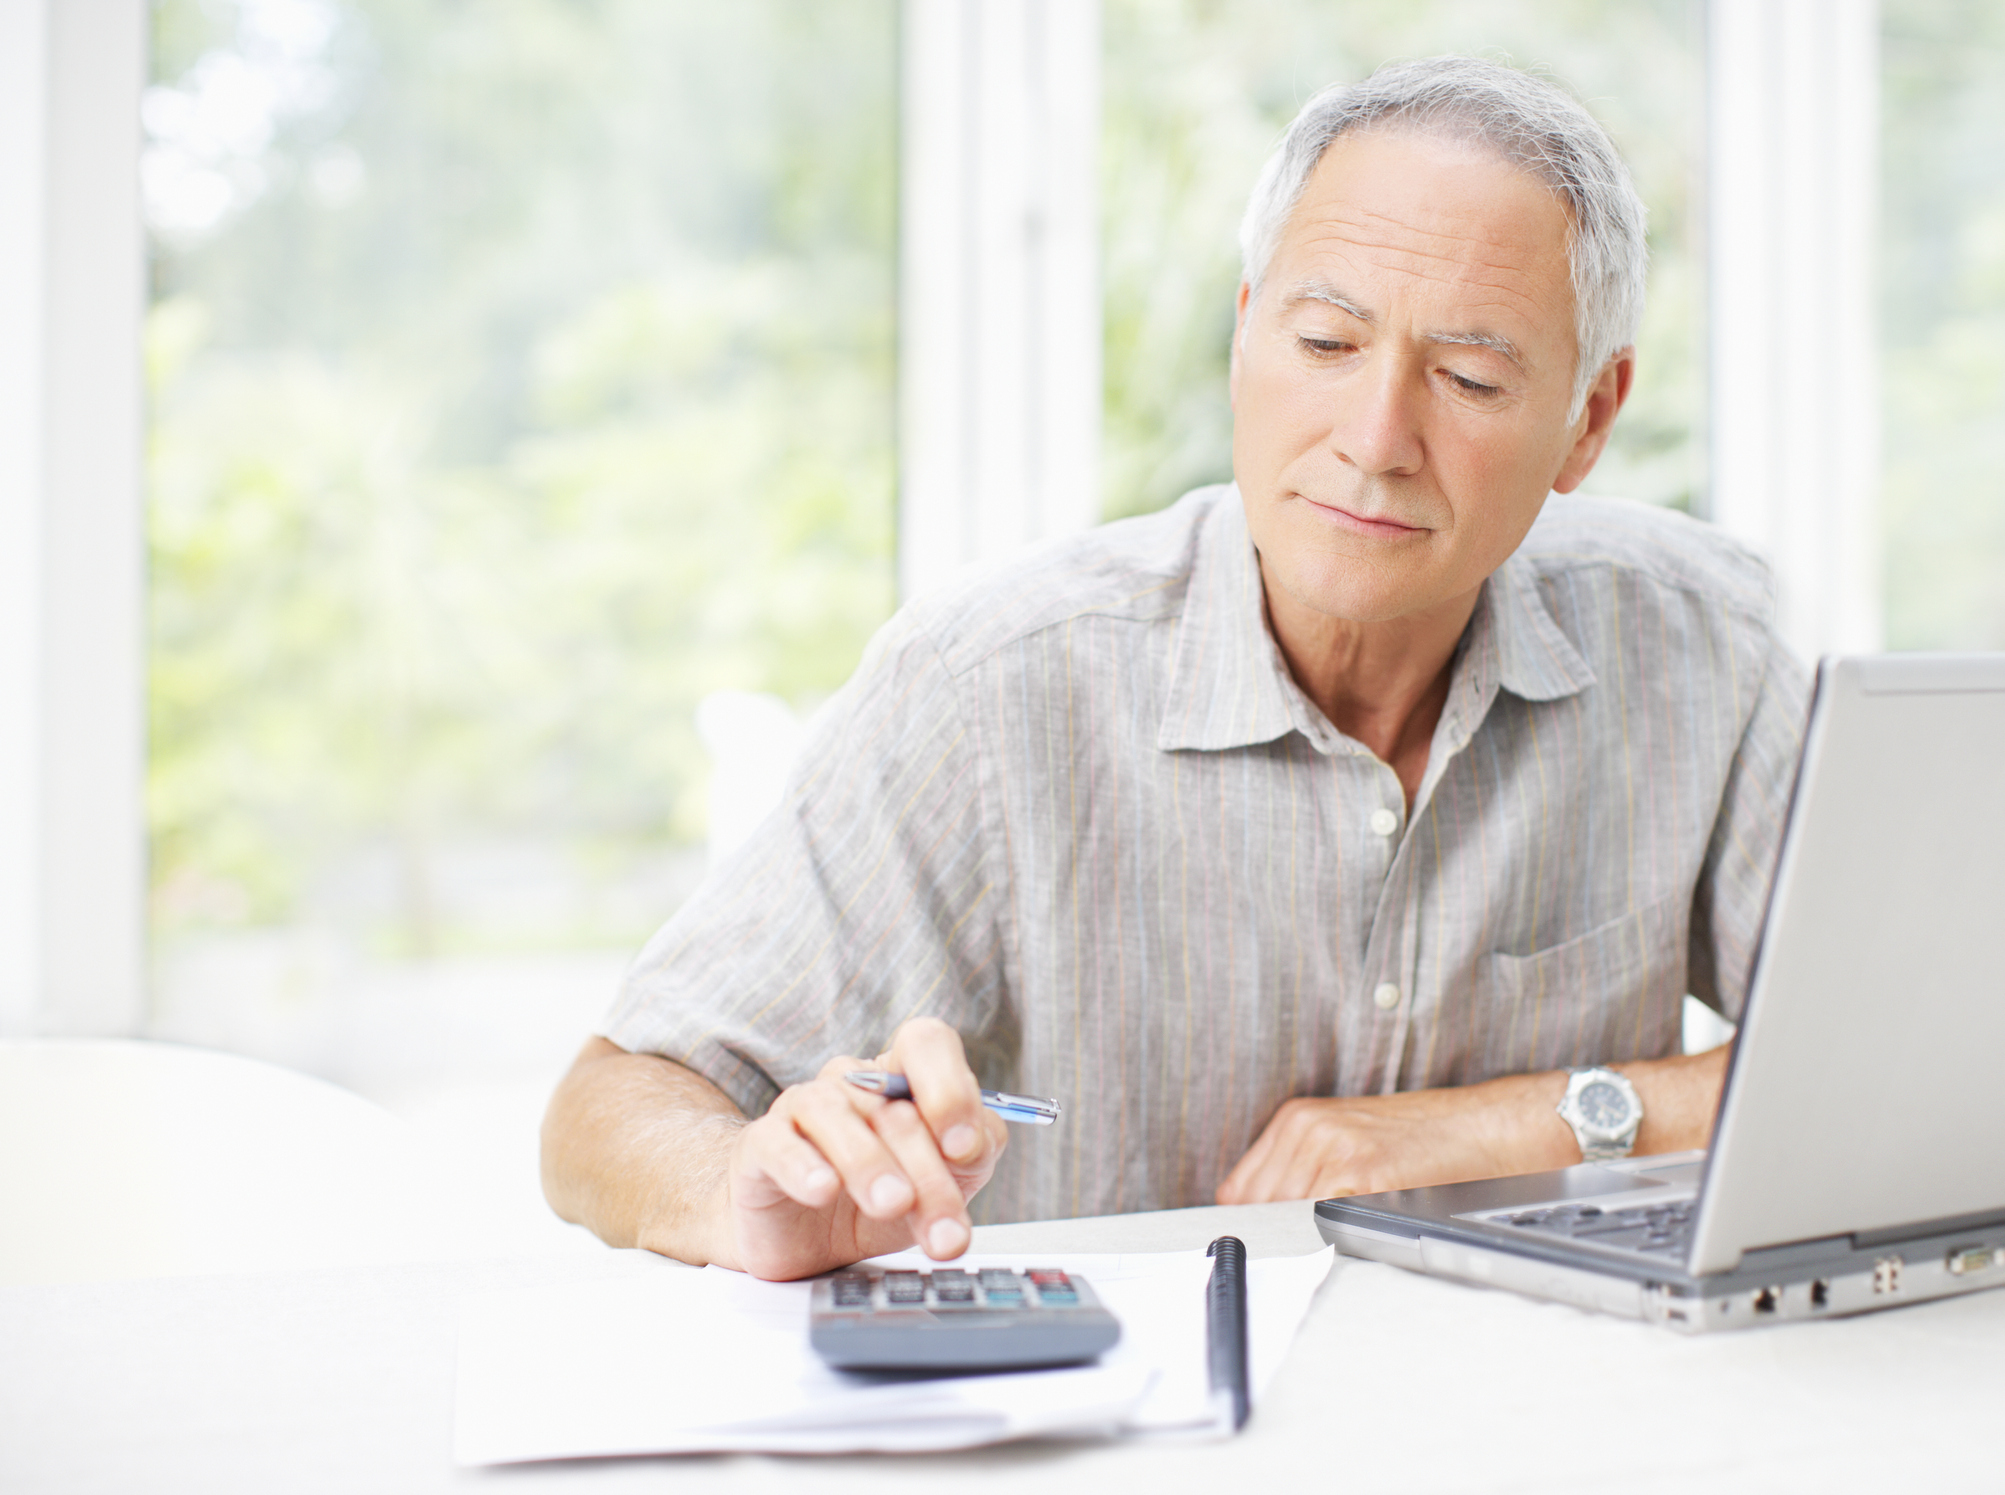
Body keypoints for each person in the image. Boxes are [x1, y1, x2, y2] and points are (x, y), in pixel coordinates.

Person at [541, 56, 1805, 1282]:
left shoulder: (1702, 643)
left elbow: (1894, 1057)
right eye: (1325, 343)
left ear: (1588, 420)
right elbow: (610, 1105)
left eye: (1469, 377)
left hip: (1561, 1386)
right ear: (1245, 336)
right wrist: (744, 1189)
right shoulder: (993, 685)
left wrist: (1510, 1124)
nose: (1375, 439)